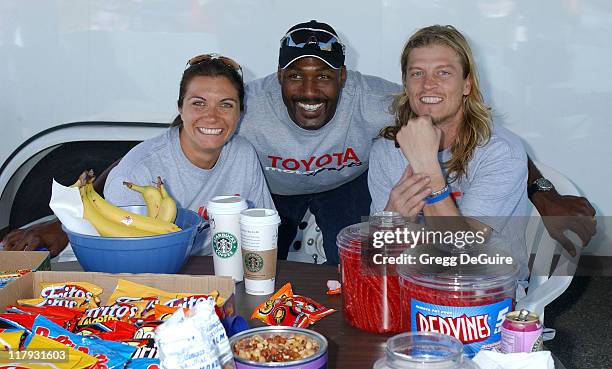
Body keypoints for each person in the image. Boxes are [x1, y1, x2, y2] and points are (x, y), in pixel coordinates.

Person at [2, 20, 596, 263]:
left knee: (351, 257)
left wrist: (540, 192)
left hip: (343, 186)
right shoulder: (240, 106)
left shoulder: (385, 102)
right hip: (272, 193)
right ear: (276, 79)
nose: (310, 88)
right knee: (265, 269)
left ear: (346, 77)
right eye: (296, 74)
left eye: (325, 75)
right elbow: (148, 158)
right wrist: (59, 226)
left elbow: (485, 136)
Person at [69, 53, 275, 259]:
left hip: (214, 273)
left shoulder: (243, 154)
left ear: (240, 112)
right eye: (198, 103)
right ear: (180, 108)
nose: (212, 116)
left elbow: (261, 232)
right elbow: (129, 259)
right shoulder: (137, 174)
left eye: (226, 104)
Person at [368, 25, 529, 275]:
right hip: (414, 281)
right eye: (417, 73)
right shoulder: (385, 152)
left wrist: (426, 167)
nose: (427, 85)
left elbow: (461, 257)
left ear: (467, 85)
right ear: (406, 85)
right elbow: (379, 259)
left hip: (486, 289)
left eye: (443, 73)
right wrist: (392, 222)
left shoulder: (500, 152)